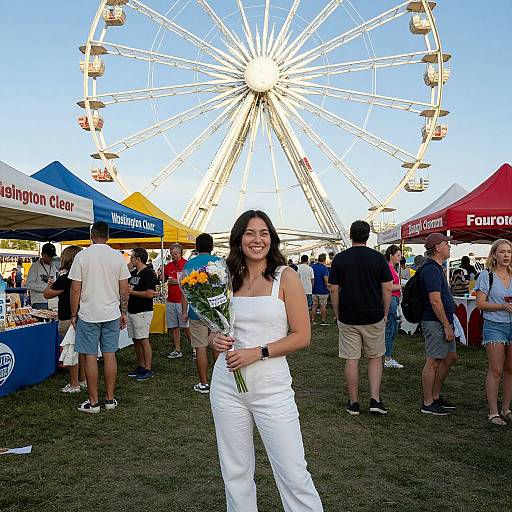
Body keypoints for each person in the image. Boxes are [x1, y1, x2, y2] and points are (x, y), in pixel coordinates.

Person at [209, 210, 323, 512]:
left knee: (293, 472)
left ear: (271, 239)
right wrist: (214, 339)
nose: (256, 239)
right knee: (235, 471)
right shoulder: (225, 276)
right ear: (239, 238)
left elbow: (302, 335)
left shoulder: (285, 276)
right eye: (249, 233)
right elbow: (217, 326)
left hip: (271, 388)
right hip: (226, 386)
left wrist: (257, 352)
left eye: (263, 233)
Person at [329, 220, 392, 416]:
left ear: (350, 235)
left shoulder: (340, 259)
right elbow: (387, 287)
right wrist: (385, 313)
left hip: (348, 317)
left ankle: (354, 402)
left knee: (352, 359)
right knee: (375, 358)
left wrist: (338, 313)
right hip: (373, 315)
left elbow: (333, 288)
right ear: (368, 235)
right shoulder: (378, 258)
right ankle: (375, 399)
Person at [69, 221, 130, 413]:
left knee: (90, 356)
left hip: (88, 313)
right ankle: (110, 399)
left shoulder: (82, 256)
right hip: (111, 312)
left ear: (91, 235)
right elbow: (124, 289)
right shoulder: (118, 257)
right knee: (110, 354)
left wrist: (73, 313)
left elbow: (75, 288)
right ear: (108, 237)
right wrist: (123, 312)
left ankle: (93, 402)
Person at [419, 233, 458, 416]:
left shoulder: (436, 268)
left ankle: (435, 395)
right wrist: (446, 325)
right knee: (433, 360)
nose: (449, 246)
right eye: (446, 244)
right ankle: (428, 402)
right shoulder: (431, 269)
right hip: (435, 321)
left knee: (450, 357)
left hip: (442, 321)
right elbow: (435, 300)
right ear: (437, 248)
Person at [475, 239, 512, 426]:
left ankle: (507, 409)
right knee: (496, 370)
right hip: (494, 325)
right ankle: (493, 412)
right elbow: (480, 304)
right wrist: (502, 306)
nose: (506, 255)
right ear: (494, 255)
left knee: (510, 369)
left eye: (509, 252)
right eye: (502, 252)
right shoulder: (486, 275)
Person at [43, 245, 86, 394]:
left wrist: (49, 286)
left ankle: (74, 384)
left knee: (71, 350)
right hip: (84, 317)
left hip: (69, 318)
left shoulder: (66, 278)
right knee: (82, 351)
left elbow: (47, 294)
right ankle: (82, 379)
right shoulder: (85, 275)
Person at [181, 233, 220, 394]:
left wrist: (185, 311)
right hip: (217, 311)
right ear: (211, 246)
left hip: (197, 311)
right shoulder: (219, 263)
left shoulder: (190, 264)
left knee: (200, 347)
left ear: (196, 247)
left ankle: (203, 383)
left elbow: (185, 292)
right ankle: (220, 383)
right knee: (217, 346)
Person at [127, 248, 158, 382]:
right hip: (132, 310)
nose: (131, 260)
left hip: (143, 311)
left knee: (143, 339)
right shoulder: (134, 272)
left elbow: (150, 293)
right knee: (136, 339)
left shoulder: (148, 273)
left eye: (132, 257)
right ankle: (141, 365)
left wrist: (132, 293)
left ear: (138, 258)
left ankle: (148, 368)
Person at [164, 243, 190, 359]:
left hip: (182, 300)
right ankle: (177, 349)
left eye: (175, 254)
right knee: (174, 326)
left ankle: (195, 349)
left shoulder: (186, 264)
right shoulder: (168, 265)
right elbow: (164, 278)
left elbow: (190, 281)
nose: (173, 256)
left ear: (181, 253)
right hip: (171, 300)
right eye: (172, 254)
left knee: (186, 327)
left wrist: (177, 282)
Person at [384, 245, 404, 369]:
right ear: (391, 255)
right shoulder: (389, 268)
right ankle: (387, 357)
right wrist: (401, 286)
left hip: (393, 299)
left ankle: (387, 356)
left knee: (392, 326)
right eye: (398, 255)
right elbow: (389, 287)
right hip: (392, 299)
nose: (400, 257)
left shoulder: (390, 268)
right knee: (391, 327)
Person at [26, 242, 59, 309]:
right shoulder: (34, 266)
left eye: (52, 256)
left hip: (53, 302)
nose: (51, 258)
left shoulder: (54, 266)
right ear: (42, 254)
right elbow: (29, 284)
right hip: (39, 302)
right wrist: (46, 289)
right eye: (49, 256)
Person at [310, 253, 330, 326]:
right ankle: (323, 321)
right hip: (323, 291)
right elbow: (326, 280)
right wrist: (328, 286)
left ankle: (313, 320)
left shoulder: (312, 267)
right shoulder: (324, 268)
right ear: (324, 259)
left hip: (314, 290)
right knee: (323, 306)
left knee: (314, 306)